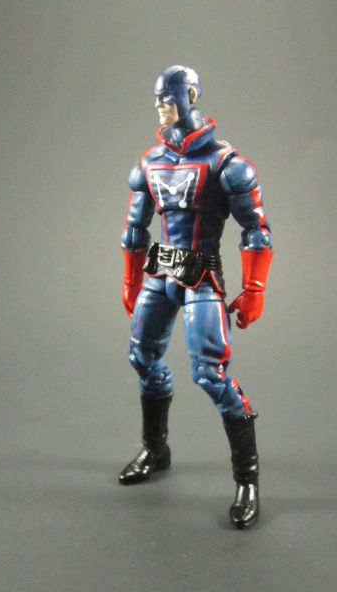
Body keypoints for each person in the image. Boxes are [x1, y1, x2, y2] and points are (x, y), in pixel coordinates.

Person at [119, 65, 273, 529]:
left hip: (201, 274)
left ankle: (247, 479)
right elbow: (134, 229)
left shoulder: (226, 164)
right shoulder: (150, 161)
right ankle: (156, 449)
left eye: (166, 98)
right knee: (142, 357)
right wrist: (130, 282)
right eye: (157, 98)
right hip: (161, 269)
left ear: (188, 96)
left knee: (210, 373)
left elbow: (256, 230)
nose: (159, 106)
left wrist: (253, 290)